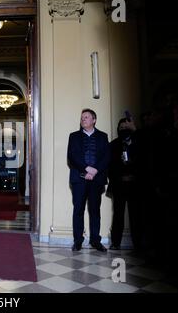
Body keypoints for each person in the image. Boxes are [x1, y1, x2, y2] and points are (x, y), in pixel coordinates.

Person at [67, 108, 110, 252]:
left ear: (94, 120)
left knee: (95, 210)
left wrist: (95, 170)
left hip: (96, 179)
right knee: (78, 210)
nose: (83, 119)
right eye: (82, 117)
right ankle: (78, 241)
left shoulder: (103, 136)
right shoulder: (73, 136)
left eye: (86, 117)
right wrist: (86, 169)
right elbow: (72, 157)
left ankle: (95, 241)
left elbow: (106, 157)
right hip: (79, 179)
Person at [108, 117, 142, 250]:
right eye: (121, 128)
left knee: (136, 215)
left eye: (125, 128)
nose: (123, 130)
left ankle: (138, 244)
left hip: (135, 185)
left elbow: (143, 162)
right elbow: (109, 167)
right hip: (119, 185)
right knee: (118, 215)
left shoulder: (138, 143)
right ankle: (116, 243)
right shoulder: (113, 145)